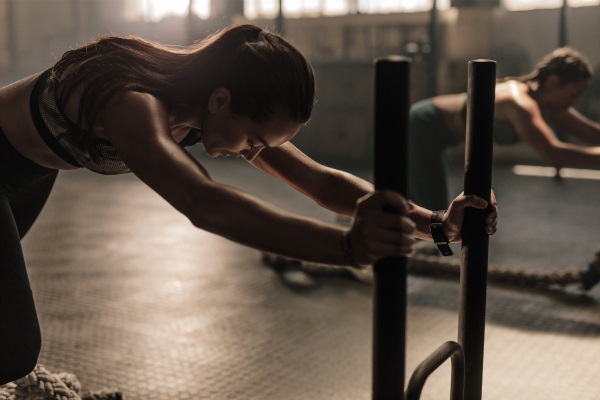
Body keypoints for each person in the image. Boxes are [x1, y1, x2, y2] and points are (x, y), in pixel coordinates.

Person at [0, 24, 497, 384]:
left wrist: (434, 223)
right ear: (220, 100)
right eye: (254, 140)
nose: (253, 153)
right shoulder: (133, 102)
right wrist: (346, 248)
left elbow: (321, 183)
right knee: (12, 351)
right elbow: (202, 201)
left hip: (27, 175)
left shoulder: (206, 106)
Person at [409, 46, 600, 211]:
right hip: (422, 125)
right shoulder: (519, 103)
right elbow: (554, 153)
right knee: (431, 210)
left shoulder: (550, 103)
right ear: (553, 83)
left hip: (441, 136)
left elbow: (591, 132)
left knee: (422, 203)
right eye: (574, 94)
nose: (576, 102)